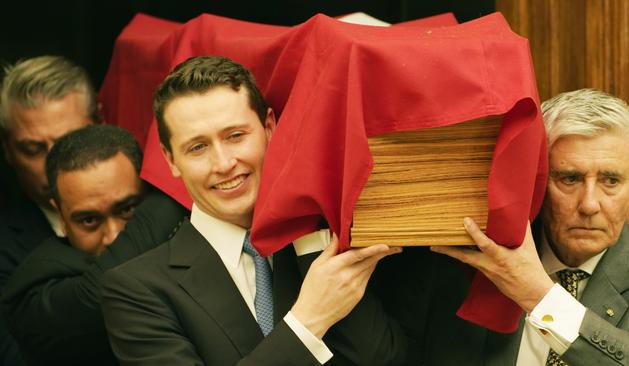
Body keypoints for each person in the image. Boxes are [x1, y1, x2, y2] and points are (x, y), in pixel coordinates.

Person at [101, 55, 406, 365]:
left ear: (269, 128)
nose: (223, 164)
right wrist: (307, 321)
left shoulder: (320, 243)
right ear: (170, 160)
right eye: (197, 147)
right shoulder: (135, 290)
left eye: (235, 136)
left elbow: (383, 359)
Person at [428, 88, 629, 365]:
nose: (590, 204)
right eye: (570, 179)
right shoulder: (475, 258)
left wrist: (538, 294)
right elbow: (389, 354)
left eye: (611, 181)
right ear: (537, 176)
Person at [1, 124, 188, 365]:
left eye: (128, 209)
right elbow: (102, 290)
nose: (113, 235)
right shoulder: (32, 291)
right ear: (61, 217)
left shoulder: (187, 247)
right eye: (89, 220)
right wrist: (179, 181)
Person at [0, 55, 96, 366]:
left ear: (100, 124)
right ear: (8, 149)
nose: (54, 166)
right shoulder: (5, 247)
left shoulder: (149, 210)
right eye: (32, 149)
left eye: (70, 142)